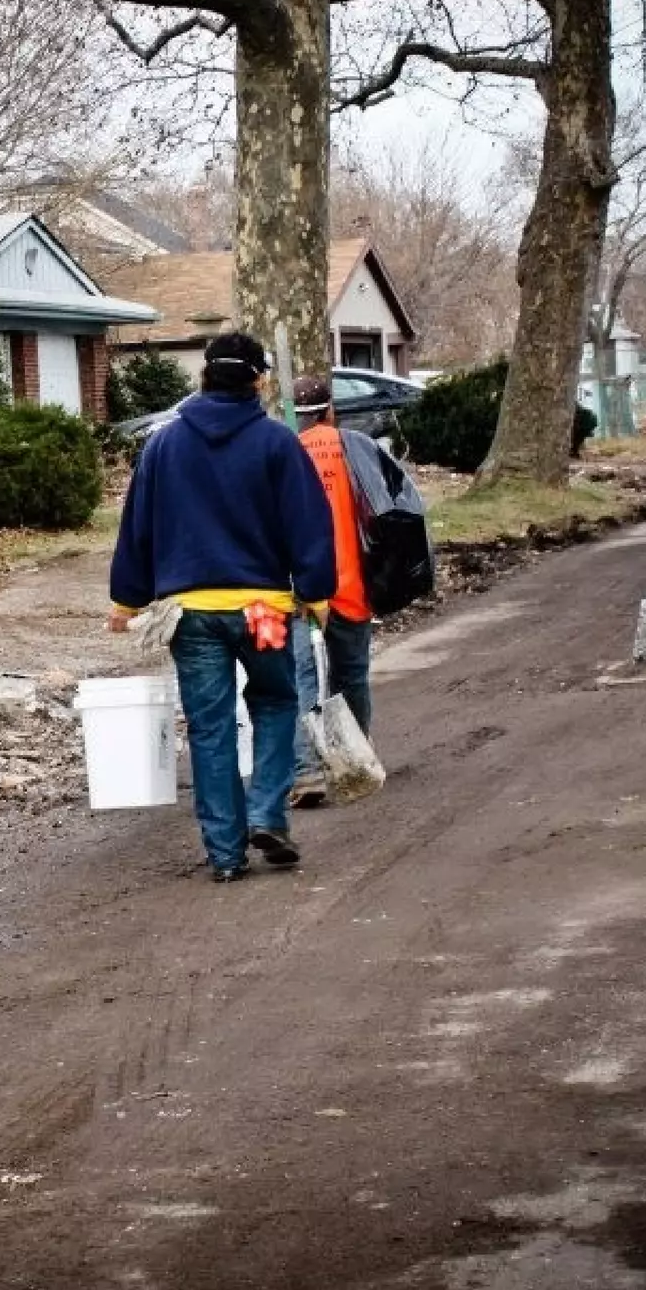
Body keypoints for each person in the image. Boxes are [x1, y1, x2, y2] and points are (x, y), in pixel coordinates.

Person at [108, 332, 336, 882]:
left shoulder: (163, 446)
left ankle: (226, 855)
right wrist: (315, 594)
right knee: (275, 704)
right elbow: (308, 523)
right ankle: (266, 814)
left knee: (210, 729)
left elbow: (137, 528)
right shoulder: (278, 443)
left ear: (204, 376)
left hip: (191, 615)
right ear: (259, 380)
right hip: (264, 612)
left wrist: (126, 600)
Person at [288, 375, 379, 807]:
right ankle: (354, 759)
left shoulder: (285, 451)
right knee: (351, 675)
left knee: (300, 678)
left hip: (298, 589)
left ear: (295, 414)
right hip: (350, 586)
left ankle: (306, 772)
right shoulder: (355, 448)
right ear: (329, 410)